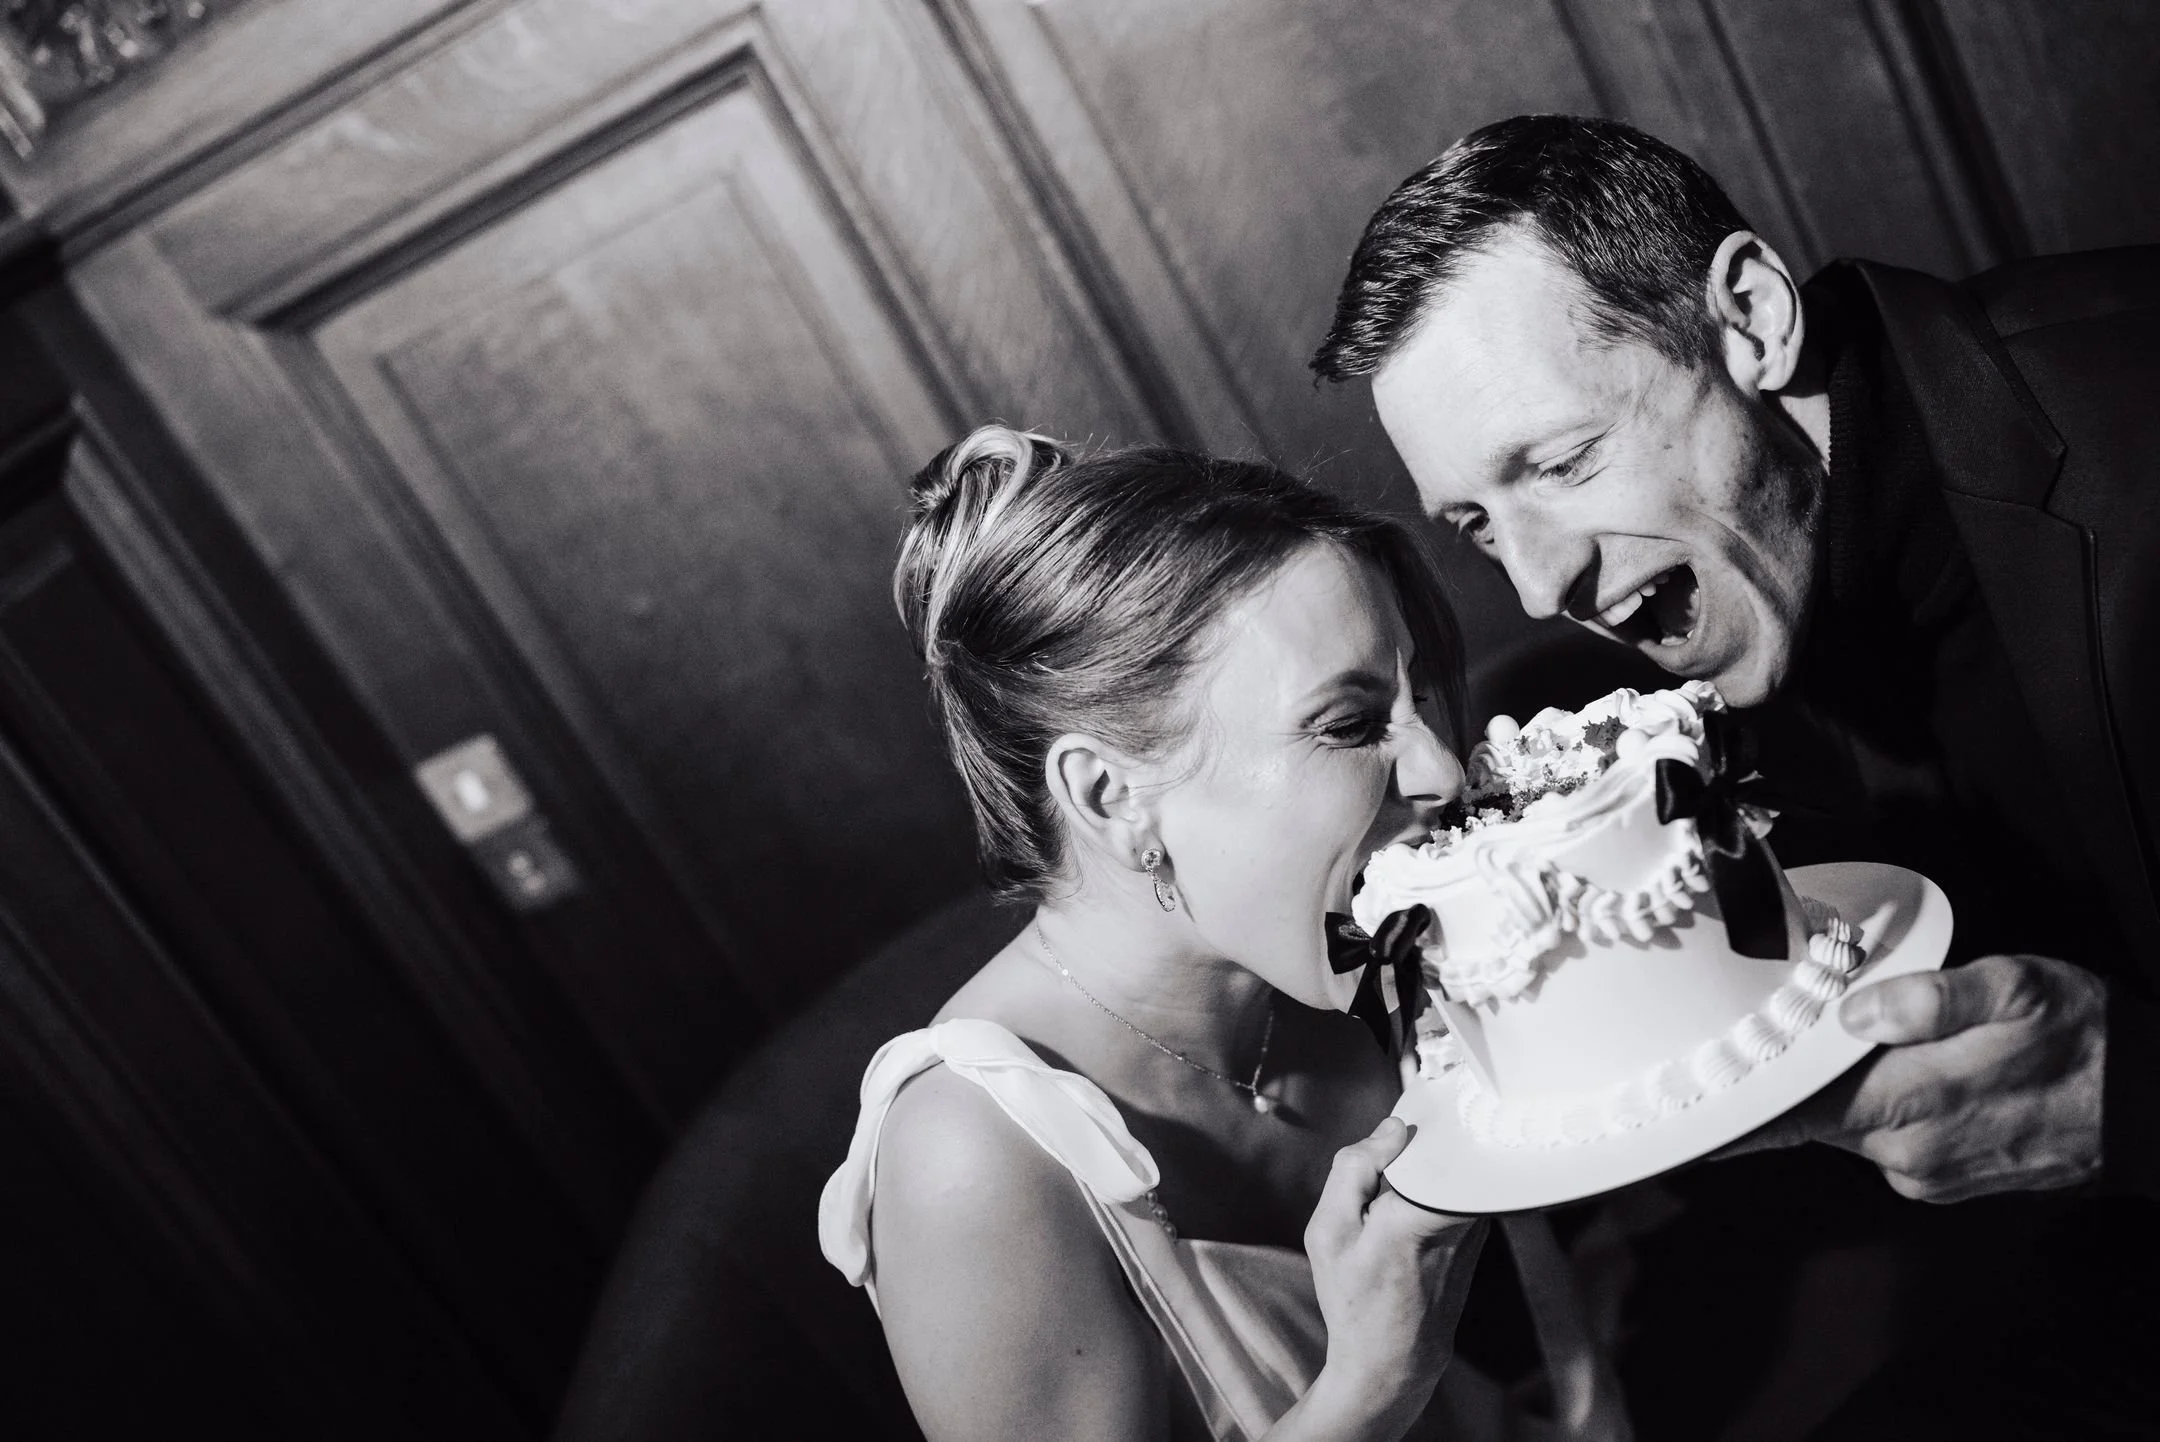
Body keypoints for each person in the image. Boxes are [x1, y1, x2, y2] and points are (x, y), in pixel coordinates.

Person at [1312, 113, 2159, 1436]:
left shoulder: (2136, 414)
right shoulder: (1684, 676)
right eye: (1478, 522)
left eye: (1562, 461)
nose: (1541, 583)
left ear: (1752, 320)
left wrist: (2138, 1101)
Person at [817, 427, 1627, 1440]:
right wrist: (1371, 1386)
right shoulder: (971, 1156)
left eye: (1412, 695)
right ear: (1112, 795)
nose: (1439, 773)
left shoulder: (1363, 951)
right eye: (1346, 722)